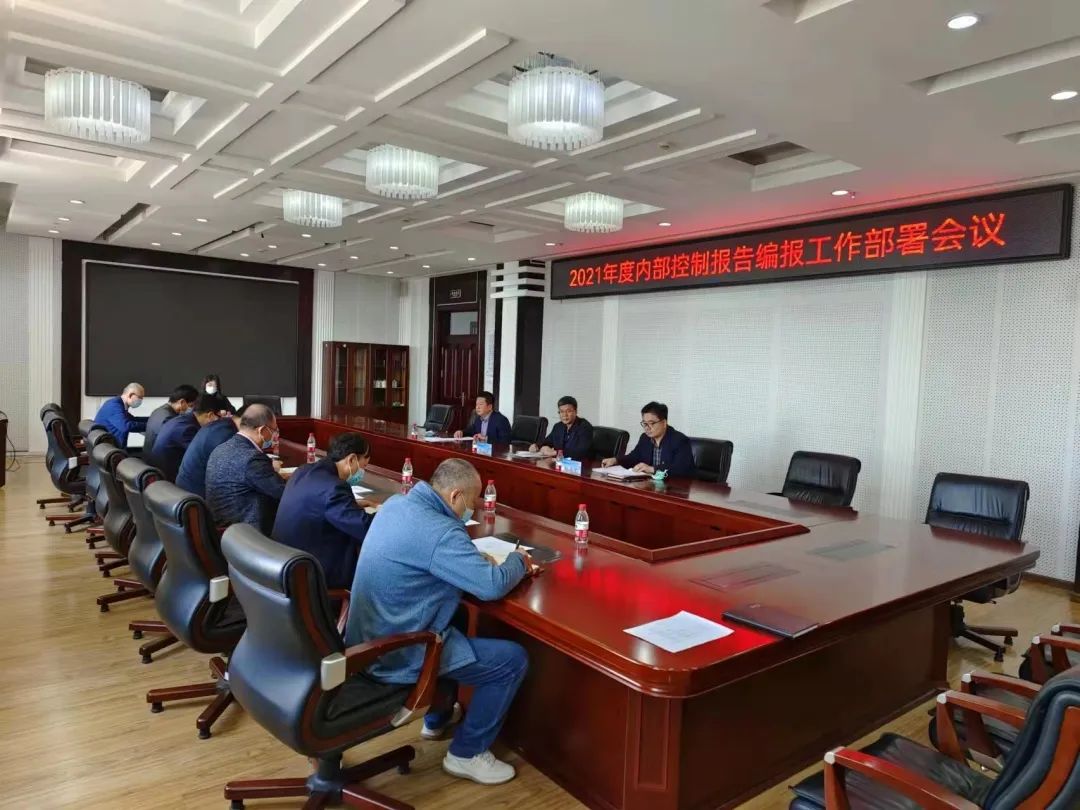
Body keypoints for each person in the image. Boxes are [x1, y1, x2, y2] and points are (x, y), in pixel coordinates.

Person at [346, 458, 538, 786]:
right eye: (472, 501)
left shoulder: (397, 504)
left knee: (457, 615)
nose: (474, 509)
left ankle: (436, 719)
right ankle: (466, 753)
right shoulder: (442, 531)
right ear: (455, 496)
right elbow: (491, 586)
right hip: (397, 651)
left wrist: (470, 560)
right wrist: (518, 561)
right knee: (511, 661)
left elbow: (429, 555)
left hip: (365, 638)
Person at [271, 433, 377, 590]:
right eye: (364, 466)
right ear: (351, 459)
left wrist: (350, 504)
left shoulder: (303, 471)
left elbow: (321, 504)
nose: (362, 472)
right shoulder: (334, 488)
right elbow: (365, 528)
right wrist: (387, 512)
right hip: (312, 575)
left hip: (284, 563)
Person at [204, 404, 284, 533]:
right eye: (274, 430)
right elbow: (283, 493)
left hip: (223, 528)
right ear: (263, 430)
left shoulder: (221, 448)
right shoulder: (253, 459)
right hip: (247, 534)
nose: (275, 435)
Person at [602, 401, 695, 476]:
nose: (647, 428)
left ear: (664, 423)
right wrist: (616, 460)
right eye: (645, 423)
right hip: (650, 485)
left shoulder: (680, 440)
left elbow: (680, 469)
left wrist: (652, 469)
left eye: (651, 423)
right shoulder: (645, 438)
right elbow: (634, 457)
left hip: (674, 488)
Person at [150, 395, 220, 482]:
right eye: (219, 418)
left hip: (163, 473)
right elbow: (202, 456)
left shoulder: (184, 420)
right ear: (210, 415)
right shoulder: (187, 429)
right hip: (169, 479)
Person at [176, 408, 239, 498]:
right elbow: (230, 474)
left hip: (184, 487)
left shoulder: (217, 426)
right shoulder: (227, 434)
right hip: (197, 494)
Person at [144, 385, 199, 455]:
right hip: (157, 459)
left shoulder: (159, 411)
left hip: (149, 456)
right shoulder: (170, 419)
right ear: (182, 402)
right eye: (191, 406)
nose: (192, 410)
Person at [94, 383, 149, 449]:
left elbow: (132, 419)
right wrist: (150, 425)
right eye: (140, 397)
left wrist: (152, 419)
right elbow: (126, 426)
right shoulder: (114, 406)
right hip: (112, 450)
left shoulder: (118, 404)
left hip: (112, 447)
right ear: (131, 395)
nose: (141, 400)